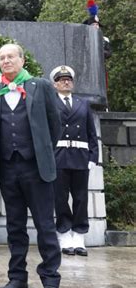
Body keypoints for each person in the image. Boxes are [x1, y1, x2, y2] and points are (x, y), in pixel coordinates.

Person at [0, 43, 62, 288]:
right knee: (15, 226)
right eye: (1, 58)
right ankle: (17, 278)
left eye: (11, 57)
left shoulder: (40, 86)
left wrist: (42, 151)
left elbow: (56, 124)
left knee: (45, 225)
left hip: (36, 168)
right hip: (9, 168)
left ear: (21, 59)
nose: (6, 61)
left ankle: (51, 279)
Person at [50, 65, 99, 256]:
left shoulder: (83, 103)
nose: (66, 81)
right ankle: (63, 232)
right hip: (59, 155)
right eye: (62, 79)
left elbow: (91, 132)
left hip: (80, 156)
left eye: (68, 79)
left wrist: (93, 157)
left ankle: (79, 235)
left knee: (80, 198)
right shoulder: (50, 103)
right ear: (55, 84)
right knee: (60, 197)